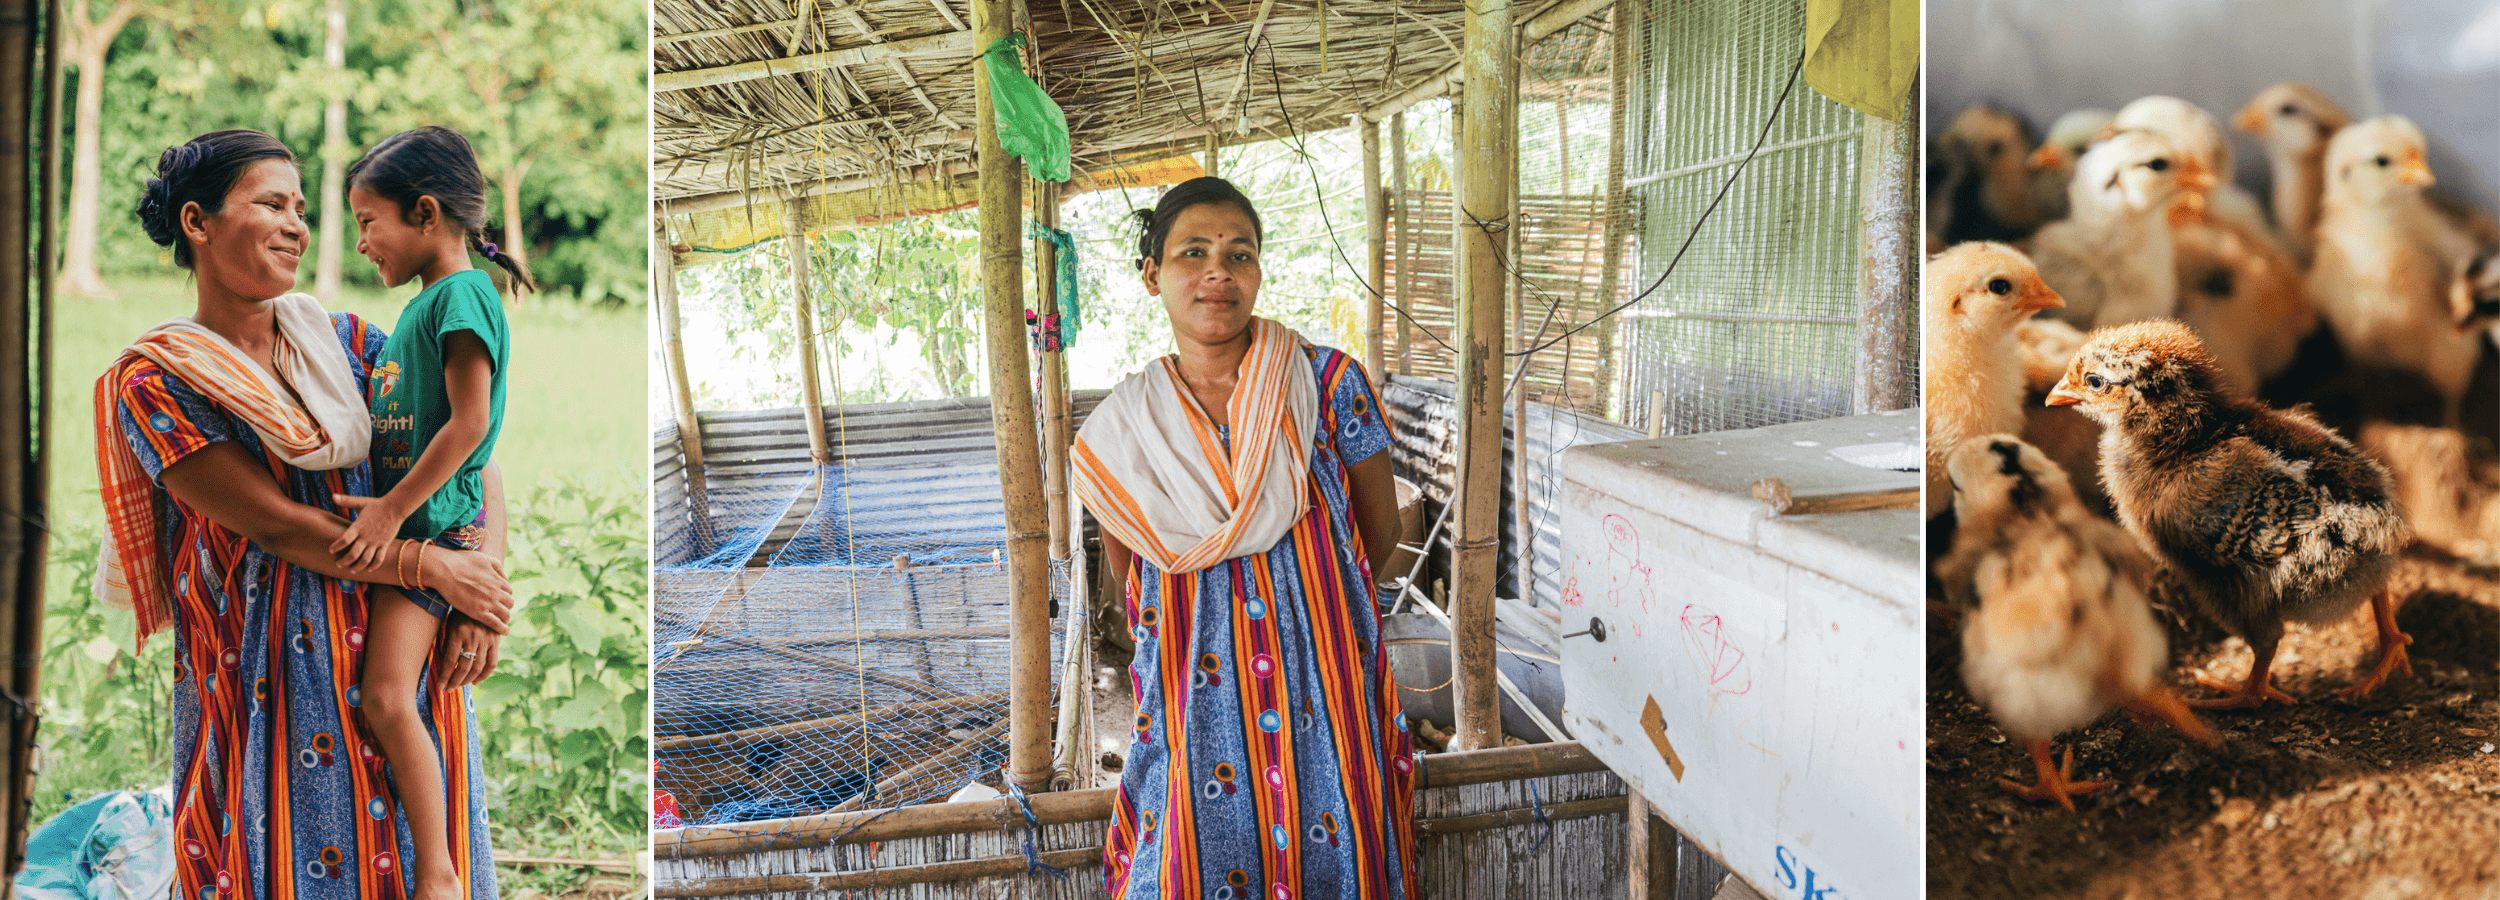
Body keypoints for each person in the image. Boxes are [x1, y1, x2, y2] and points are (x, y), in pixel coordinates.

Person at [97, 129, 512, 900]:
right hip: (265, 674)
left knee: (429, 867)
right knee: (280, 854)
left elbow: (472, 449)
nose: (297, 225)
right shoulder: (158, 383)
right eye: (271, 204)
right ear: (199, 222)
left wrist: (479, 594)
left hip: (397, 640)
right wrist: (436, 568)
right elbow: (277, 526)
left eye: (299, 207)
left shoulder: (347, 341)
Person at [1071, 176, 1416, 900]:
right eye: (1193, 253)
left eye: (1240, 253)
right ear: (1152, 275)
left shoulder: (1325, 385)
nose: (1218, 271)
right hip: (1194, 697)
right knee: (1187, 862)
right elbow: (1132, 580)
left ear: (1258, 271)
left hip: (1326, 686)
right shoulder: (1126, 431)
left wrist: (1307, 618)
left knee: (1340, 854)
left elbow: (1378, 536)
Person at [328, 125, 526, 900]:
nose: (363, 242)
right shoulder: (423, 307)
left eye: (368, 221)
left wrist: (388, 511)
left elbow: (471, 424)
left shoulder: (463, 295)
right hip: (422, 524)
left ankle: (438, 872)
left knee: (385, 697)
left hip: (433, 526)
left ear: (424, 212)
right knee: (392, 696)